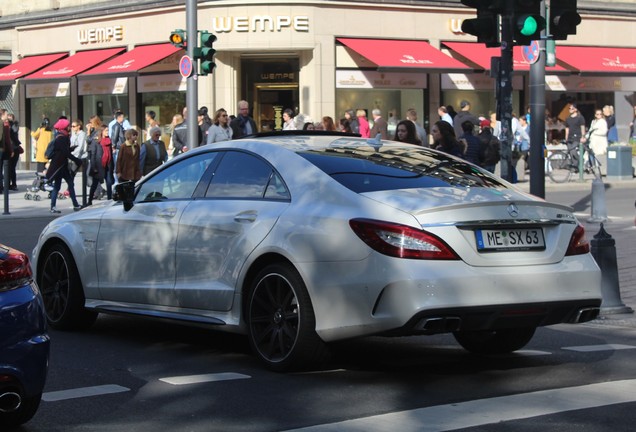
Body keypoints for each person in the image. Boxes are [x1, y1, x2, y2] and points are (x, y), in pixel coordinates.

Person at [46, 118, 82, 213]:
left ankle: (74, 204)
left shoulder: (61, 136)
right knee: (64, 185)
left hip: (61, 165)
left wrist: (71, 149)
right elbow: (65, 153)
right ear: (64, 127)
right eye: (68, 126)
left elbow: (63, 151)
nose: (70, 127)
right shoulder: (62, 138)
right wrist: (76, 160)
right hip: (59, 166)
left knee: (68, 184)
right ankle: (73, 205)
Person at [87, 127, 113, 205]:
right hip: (98, 165)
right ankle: (90, 200)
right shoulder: (96, 141)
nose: (107, 132)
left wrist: (113, 166)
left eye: (108, 130)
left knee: (109, 183)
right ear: (101, 132)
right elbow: (93, 155)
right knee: (95, 184)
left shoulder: (109, 141)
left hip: (108, 165)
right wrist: (94, 167)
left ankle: (109, 199)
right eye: (106, 131)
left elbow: (110, 154)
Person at [565, 103, 586, 168]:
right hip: (570, 137)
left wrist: (583, 136)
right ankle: (576, 166)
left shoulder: (580, 117)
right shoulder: (568, 118)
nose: (570, 110)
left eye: (572, 108)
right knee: (570, 152)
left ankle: (581, 161)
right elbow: (567, 128)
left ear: (575, 109)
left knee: (573, 150)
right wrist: (566, 137)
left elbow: (582, 127)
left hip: (577, 136)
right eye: (569, 108)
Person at [7, 113, 22, 191]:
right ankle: (9, 184)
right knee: (9, 168)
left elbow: (14, 130)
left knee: (11, 168)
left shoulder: (14, 125)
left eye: (10, 118)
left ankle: (13, 184)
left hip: (14, 149)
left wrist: (11, 123)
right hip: (11, 149)